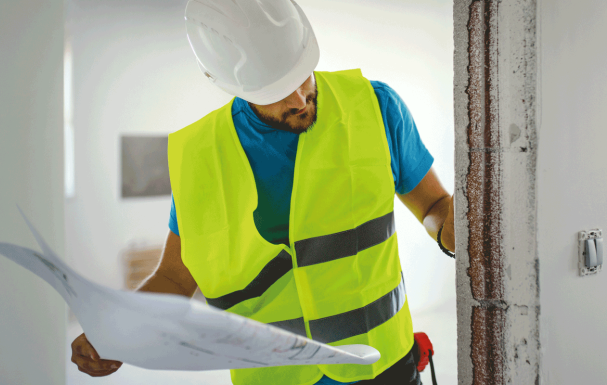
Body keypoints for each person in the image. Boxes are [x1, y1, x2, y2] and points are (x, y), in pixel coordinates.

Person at [70, 0, 455, 384]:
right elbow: (174, 277)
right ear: (226, 83)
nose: (299, 99)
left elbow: (435, 205)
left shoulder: (376, 107)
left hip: (384, 367)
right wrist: (117, 329)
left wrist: (457, 230)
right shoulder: (199, 158)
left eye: (301, 75)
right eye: (275, 90)